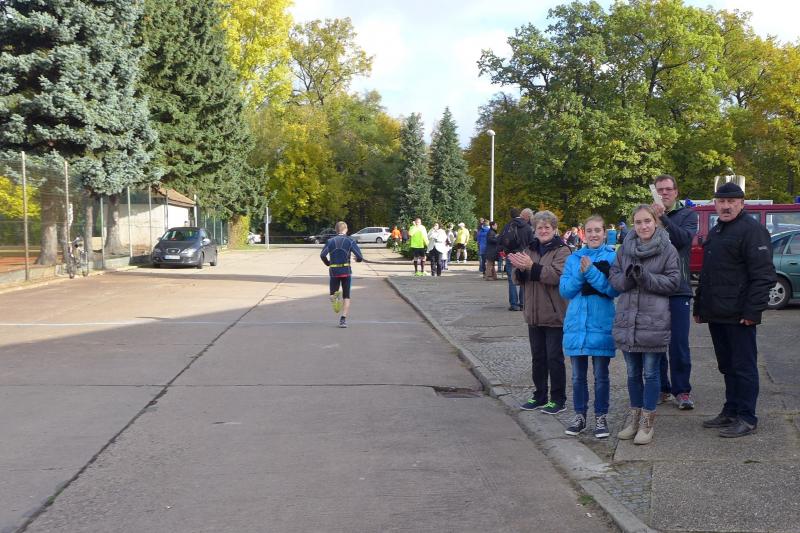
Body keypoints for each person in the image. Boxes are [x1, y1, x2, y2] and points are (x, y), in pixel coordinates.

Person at [694, 182, 776, 438]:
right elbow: (707, 273)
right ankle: (730, 411)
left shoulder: (753, 231)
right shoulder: (717, 230)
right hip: (717, 313)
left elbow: (764, 276)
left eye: (731, 201)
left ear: (742, 204)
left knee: (744, 368)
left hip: (740, 315)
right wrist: (699, 306)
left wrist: (752, 313)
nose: (726, 206)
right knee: (727, 366)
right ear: (715, 204)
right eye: (721, 201)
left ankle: (747, 417)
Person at [609, 205, 680, 445]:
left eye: (647, 221)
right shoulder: (624, 249)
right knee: (632, 373)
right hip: (628, 320)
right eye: (638, 222)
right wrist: (629, 277)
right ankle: (634, 419)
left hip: (653, 321)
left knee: (650, 373)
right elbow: (615, 279)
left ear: (655, 222)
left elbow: (673, 282)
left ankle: (647, 423)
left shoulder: (668, 249)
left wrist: (646, 277)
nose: (643, 226)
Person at [559, 216, 619, 438]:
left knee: (601, 375)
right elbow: (565, 290)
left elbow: (613, 290)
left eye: (597, 230)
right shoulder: (573, 258)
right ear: (584, 234)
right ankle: (580, 415)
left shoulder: (612, 257)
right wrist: (581, 273)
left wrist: (592, 273)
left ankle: (601, 416)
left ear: (605, 233)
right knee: (577, 376)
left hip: (600, 324)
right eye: (590, 230)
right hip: (577, 324)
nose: (594, 234)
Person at [509, 210, 571, 414]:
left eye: (547, 227)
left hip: (554, 314)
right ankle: (539, 395)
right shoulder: (530, 249)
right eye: (539, 227)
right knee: (538, 358)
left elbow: (557, 276)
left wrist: (531, 267)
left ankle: (558, 399)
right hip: (533, 313)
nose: (543, 231)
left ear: (555, 229)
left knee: (554, 358)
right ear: (534, 230)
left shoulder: (563, 251)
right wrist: (519, 269)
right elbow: (517, 279)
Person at [650, 174, 699, 409]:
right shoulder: (648, 215)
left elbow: (683, 240)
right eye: (660, 190)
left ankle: (682, 391)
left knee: (678, 343)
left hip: (679, 289)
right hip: (655, 289)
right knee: (656, 342)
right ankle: (662, 388)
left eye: (668, 189)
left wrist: (663, 218)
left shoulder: (687, 215)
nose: (664, 193)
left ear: (676, 192)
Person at [320, 221, 364, 328]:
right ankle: (343, 319)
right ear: (346, 229)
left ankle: (334, 298)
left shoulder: (330, 241)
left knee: (332, 294)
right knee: (347, 296)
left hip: (334, 271)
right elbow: (359, 257)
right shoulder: (350, 241)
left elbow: (322, 255)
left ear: (336, 230)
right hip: (346, 271)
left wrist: (328, 263)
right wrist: (357, 260)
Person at [499, 207, 535, 311]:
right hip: (524, 255)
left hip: (511, 255)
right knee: (524, 278)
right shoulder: (527, 227)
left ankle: (514, 304)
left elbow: (501, 240)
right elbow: (532, 243)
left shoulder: (508, 225)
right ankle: (523, 303)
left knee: (511, 279)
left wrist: (505, 251)